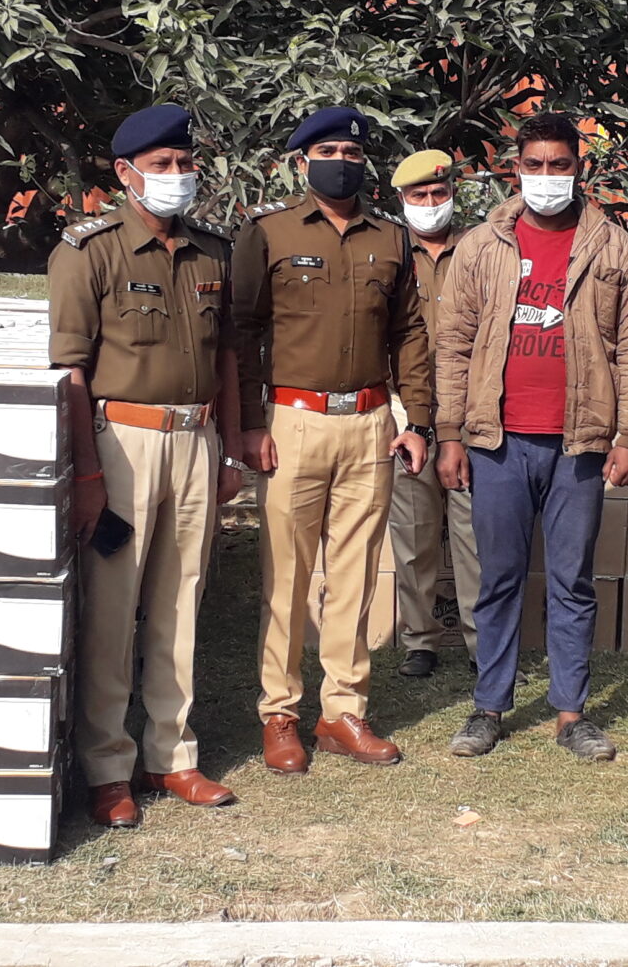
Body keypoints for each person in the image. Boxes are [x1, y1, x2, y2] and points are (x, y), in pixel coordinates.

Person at [47, 103, 248, 828]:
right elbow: (70, 371)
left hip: (196, 440)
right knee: (112, 609)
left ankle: (172, 753)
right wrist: (86, 476)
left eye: (185, 163)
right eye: (162, 165)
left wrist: (229, 448)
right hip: (121, 444)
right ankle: (107, 765)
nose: (177, 175)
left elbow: (228, 358)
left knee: (180, 601)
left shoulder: (213, 252)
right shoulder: (89, 250)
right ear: (126, 173)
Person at [433, 112, 628, 762]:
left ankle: (571, 713)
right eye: (536, 165)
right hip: (497, 440)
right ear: (516, 170)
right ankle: (488, 707)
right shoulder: (481, 247)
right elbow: (454, 345)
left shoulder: (614, 248)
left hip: (577, 444)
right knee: (498, 578)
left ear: (580, 169)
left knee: (571, 581)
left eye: (560, 165)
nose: (548, 176)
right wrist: (450, 433)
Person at [235, 106, 435, 772]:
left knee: (355, 576)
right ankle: (280, 713)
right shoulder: (268, 232)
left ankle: (343, 710)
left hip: (370, 424)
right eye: (327, 152)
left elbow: (409, 334)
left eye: (351, 153)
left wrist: (418, 421)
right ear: (302, 162)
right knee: (287, 577)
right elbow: (242, 331)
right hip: (293, 420)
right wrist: (250, 423)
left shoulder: (392, 238)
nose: (341, 163)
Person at [386, 149, 479, 678]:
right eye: (418, 195)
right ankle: (420, 640)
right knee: (414, 532)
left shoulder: (480, 248)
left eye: (438, 193)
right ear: (402, 199)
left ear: (452, 195)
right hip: (408, 410)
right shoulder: (391, 251)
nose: (429, 202)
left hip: (472, 409)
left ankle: (483, 644)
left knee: (475, 535)